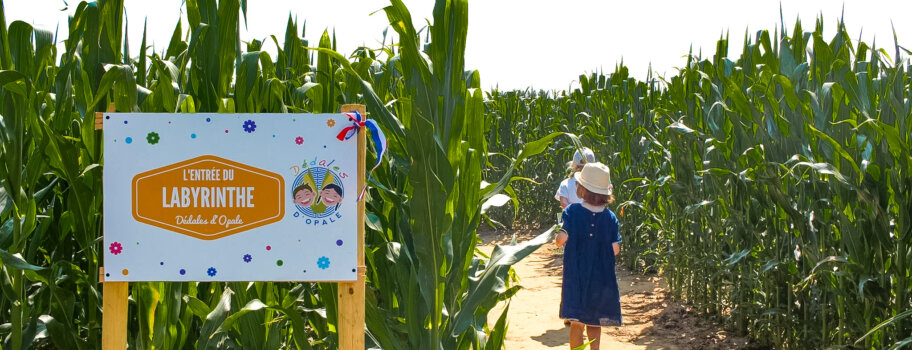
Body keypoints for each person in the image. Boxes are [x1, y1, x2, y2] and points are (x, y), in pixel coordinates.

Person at [555, 162, 621, 350]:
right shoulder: (610, 218)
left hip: (577, 277)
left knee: (576, 322)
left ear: (582, 190)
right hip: (601, 279)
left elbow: (561, 239)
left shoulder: (571, 212)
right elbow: (615, 249)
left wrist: (557, 238)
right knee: (595, 321)